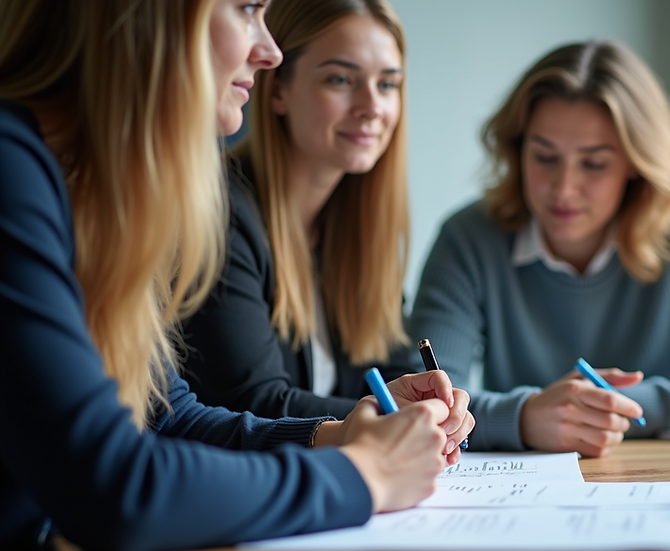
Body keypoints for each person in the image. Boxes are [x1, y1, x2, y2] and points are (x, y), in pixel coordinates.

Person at [0, 1, 471, 549]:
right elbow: (109, 487)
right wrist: (364, 475)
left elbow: (172, 419)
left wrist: (334, 436)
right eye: (246, 9)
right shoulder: (12, 171)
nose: (268, 51)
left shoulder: (94, 196)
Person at [409, 40, 670, 457]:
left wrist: (619, 408)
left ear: (635, 161)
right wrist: (523, 417)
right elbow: (419, 400)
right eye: (544, 157)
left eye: (593, 163)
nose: (563, 188)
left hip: (662, 471)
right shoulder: (467, 237)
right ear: (517, 148)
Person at [179, 0, 473, 458]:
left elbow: (397, 368)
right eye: (340, 79)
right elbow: (254, 403)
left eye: (388, 84)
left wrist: (434, 409)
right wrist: (390, 417)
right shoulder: (220, 213)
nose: (372, 106)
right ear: (277, 89)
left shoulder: (357, 228)